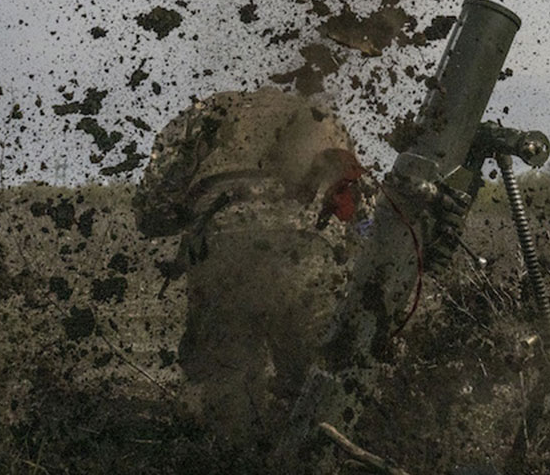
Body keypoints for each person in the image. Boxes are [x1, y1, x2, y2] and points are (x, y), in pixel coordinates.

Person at [133, 88, 372, 464]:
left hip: (225, 246)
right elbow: (360, 211)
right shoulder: (321, 116)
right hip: (310, 251)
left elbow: (151, 208)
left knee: (223, 382)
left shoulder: (205, 114)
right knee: (321, 379)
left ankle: (233, 459)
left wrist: (195, 211)